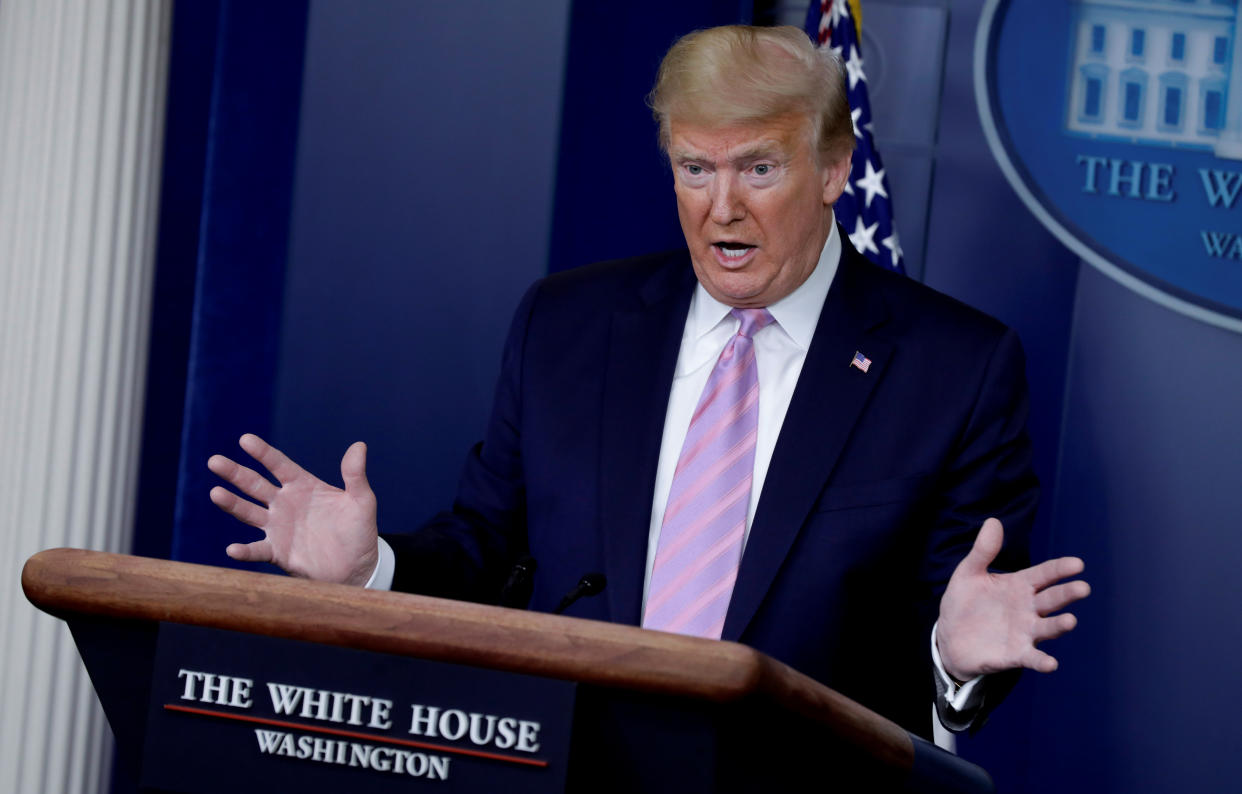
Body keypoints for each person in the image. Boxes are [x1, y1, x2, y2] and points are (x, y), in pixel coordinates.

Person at [207, 25, 1088, 740]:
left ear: (832, 167)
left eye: (759, 168)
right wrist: (373, 567)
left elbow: (957, 607)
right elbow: (488, 550)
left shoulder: (954, 368)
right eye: (695, 168)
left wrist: (953, 656)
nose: (722, 206)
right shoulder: (568, 325)